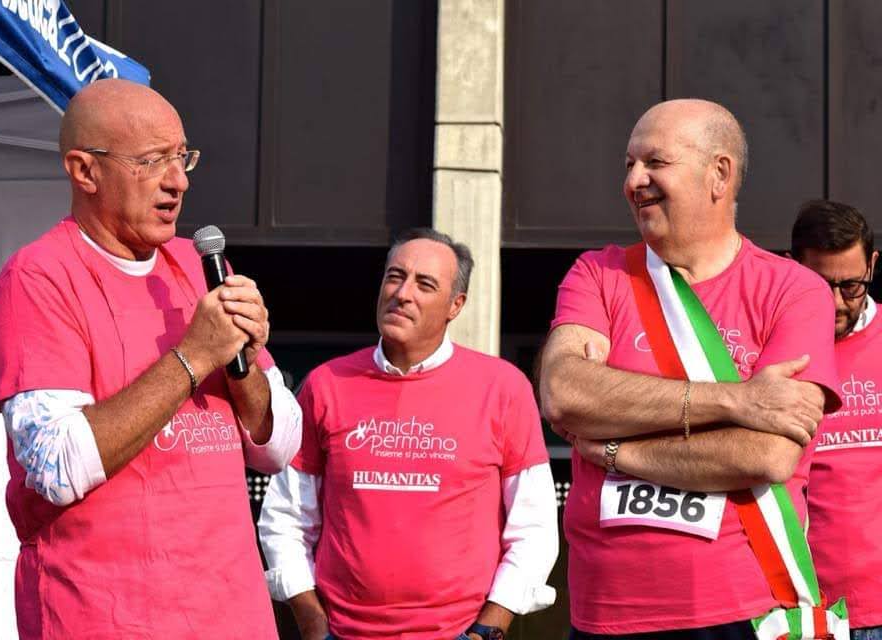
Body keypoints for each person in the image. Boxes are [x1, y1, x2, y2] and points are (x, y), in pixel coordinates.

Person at [0, 78, 301, 639]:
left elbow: (279, 447)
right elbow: (55, 467)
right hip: (106, 619)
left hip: (233, 617)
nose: (178, 181)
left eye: (182, 157)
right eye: (152, 161)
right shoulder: (38, 278)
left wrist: (243, 362)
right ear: (85, 171)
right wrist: (193, 357)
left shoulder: (198, 266)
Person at [539, 99, 843, 638]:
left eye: (655, 162)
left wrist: (617, 449)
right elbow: (565, 393)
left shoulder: (795, 291)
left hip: (744, 609)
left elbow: (768, 454)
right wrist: (737, 401)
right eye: (628, 164)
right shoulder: (598, 273)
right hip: (607, 612)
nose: (634, 181)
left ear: (719, 174)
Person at [257, 228, 559, 640]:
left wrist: (487, 630)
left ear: (456, 305)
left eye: (425, 284)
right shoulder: (325, 385)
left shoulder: (503, 389)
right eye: (395, 277)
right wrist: (312, 622)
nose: (402, 294)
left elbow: (534, 527)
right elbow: (286, 517)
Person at [791, 200, 881, 639]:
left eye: (851, 286)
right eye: (820, 285)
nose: (836, 303)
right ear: (792, 269)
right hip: (808, 612)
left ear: (872, 266)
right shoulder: (772, 351)